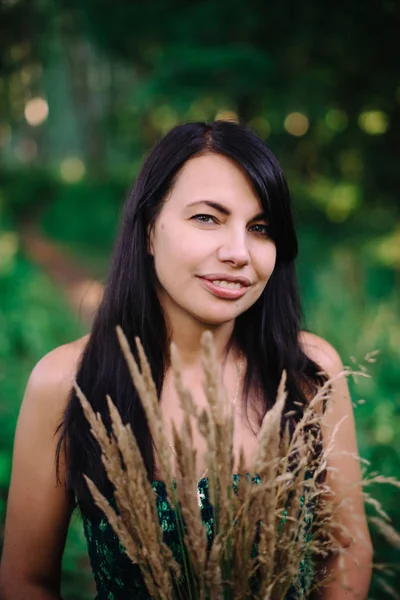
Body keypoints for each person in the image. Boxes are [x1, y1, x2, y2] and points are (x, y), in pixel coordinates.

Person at [0, 121, 372, 599]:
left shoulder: (307, 371)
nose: (239, 252)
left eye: (260, 228)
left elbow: (347, 551)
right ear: (150, 228)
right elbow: (25, 580)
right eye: (207, 218)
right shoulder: (66, 382)